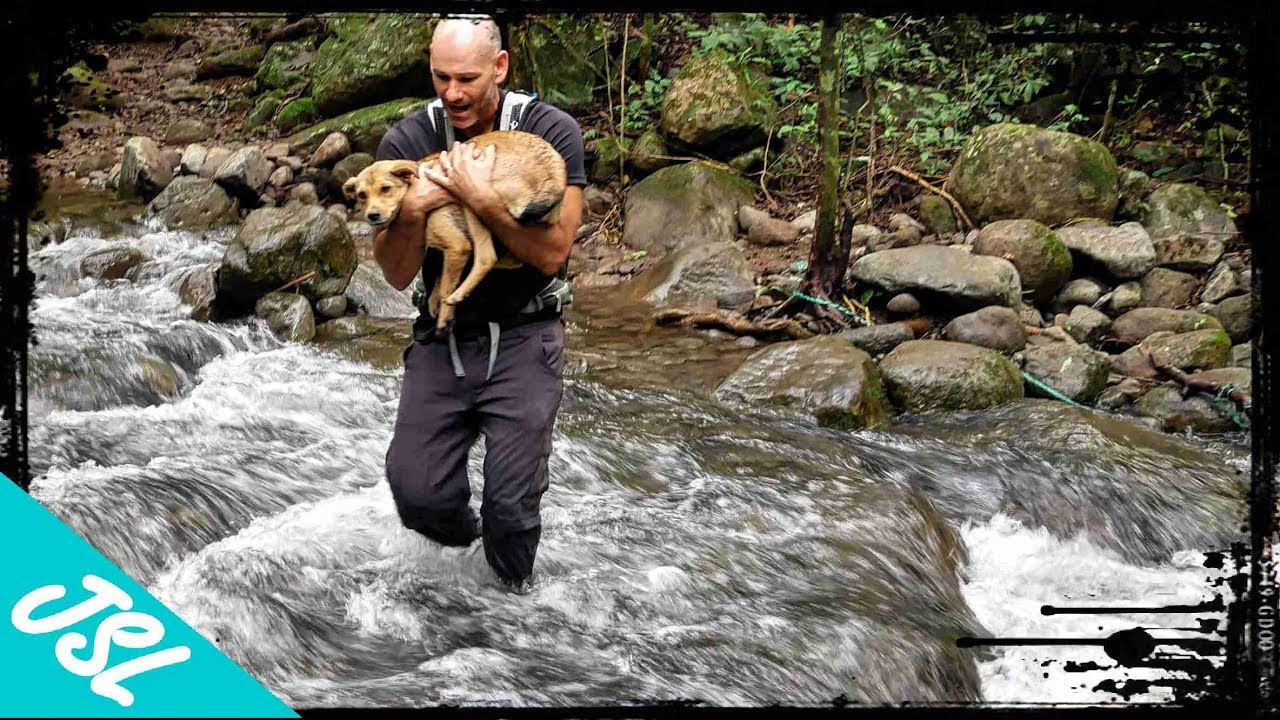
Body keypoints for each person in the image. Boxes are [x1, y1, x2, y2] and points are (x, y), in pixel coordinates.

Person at [372, 15, 587, 593]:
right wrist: (414, 209)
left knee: (512, 512)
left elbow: (552, 250)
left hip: (526, 336)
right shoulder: (408, 144)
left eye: (467, 78)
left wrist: (478, 198)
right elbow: (394, 274)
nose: (453, 92)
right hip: (443, 339)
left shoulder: (550, 131)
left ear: (500, 67)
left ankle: (512, 615)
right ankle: (472, 559)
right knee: (417, 494)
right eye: (441, 77)